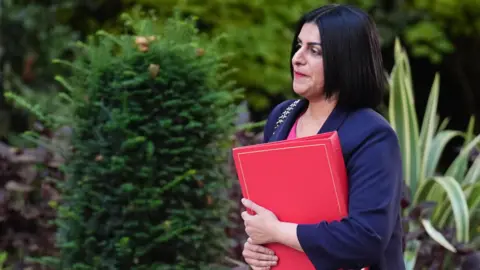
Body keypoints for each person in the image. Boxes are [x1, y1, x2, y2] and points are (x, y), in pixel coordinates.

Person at [240, 4, 405, 270]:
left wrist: (277, 232)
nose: (297, 58)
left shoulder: (373, 135)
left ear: (346, 60)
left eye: (314, 51)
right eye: (299, 45)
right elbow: (275, 213)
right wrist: (260, 249)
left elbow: (366, 238)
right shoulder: (283, 116)